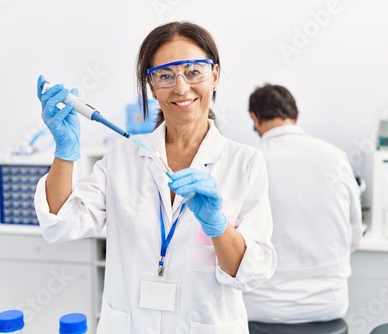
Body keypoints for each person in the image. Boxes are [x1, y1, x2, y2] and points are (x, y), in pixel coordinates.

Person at [34, 22, 277, 333]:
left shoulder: (245, 163)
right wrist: (65, 152)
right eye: (165, 75)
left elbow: (251, 273)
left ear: (214, 75)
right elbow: (62, 223)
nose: (180, 87)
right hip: (130, 324)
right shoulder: (123, 157)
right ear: (151, 85)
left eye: (193, 71)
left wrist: (217, 224)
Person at [243, 84, 363, 326]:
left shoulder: (248, 161)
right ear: (296, 116)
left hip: (261, 308)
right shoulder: (335, 157)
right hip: (329, 304)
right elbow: (355, 237)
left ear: (254, 118)